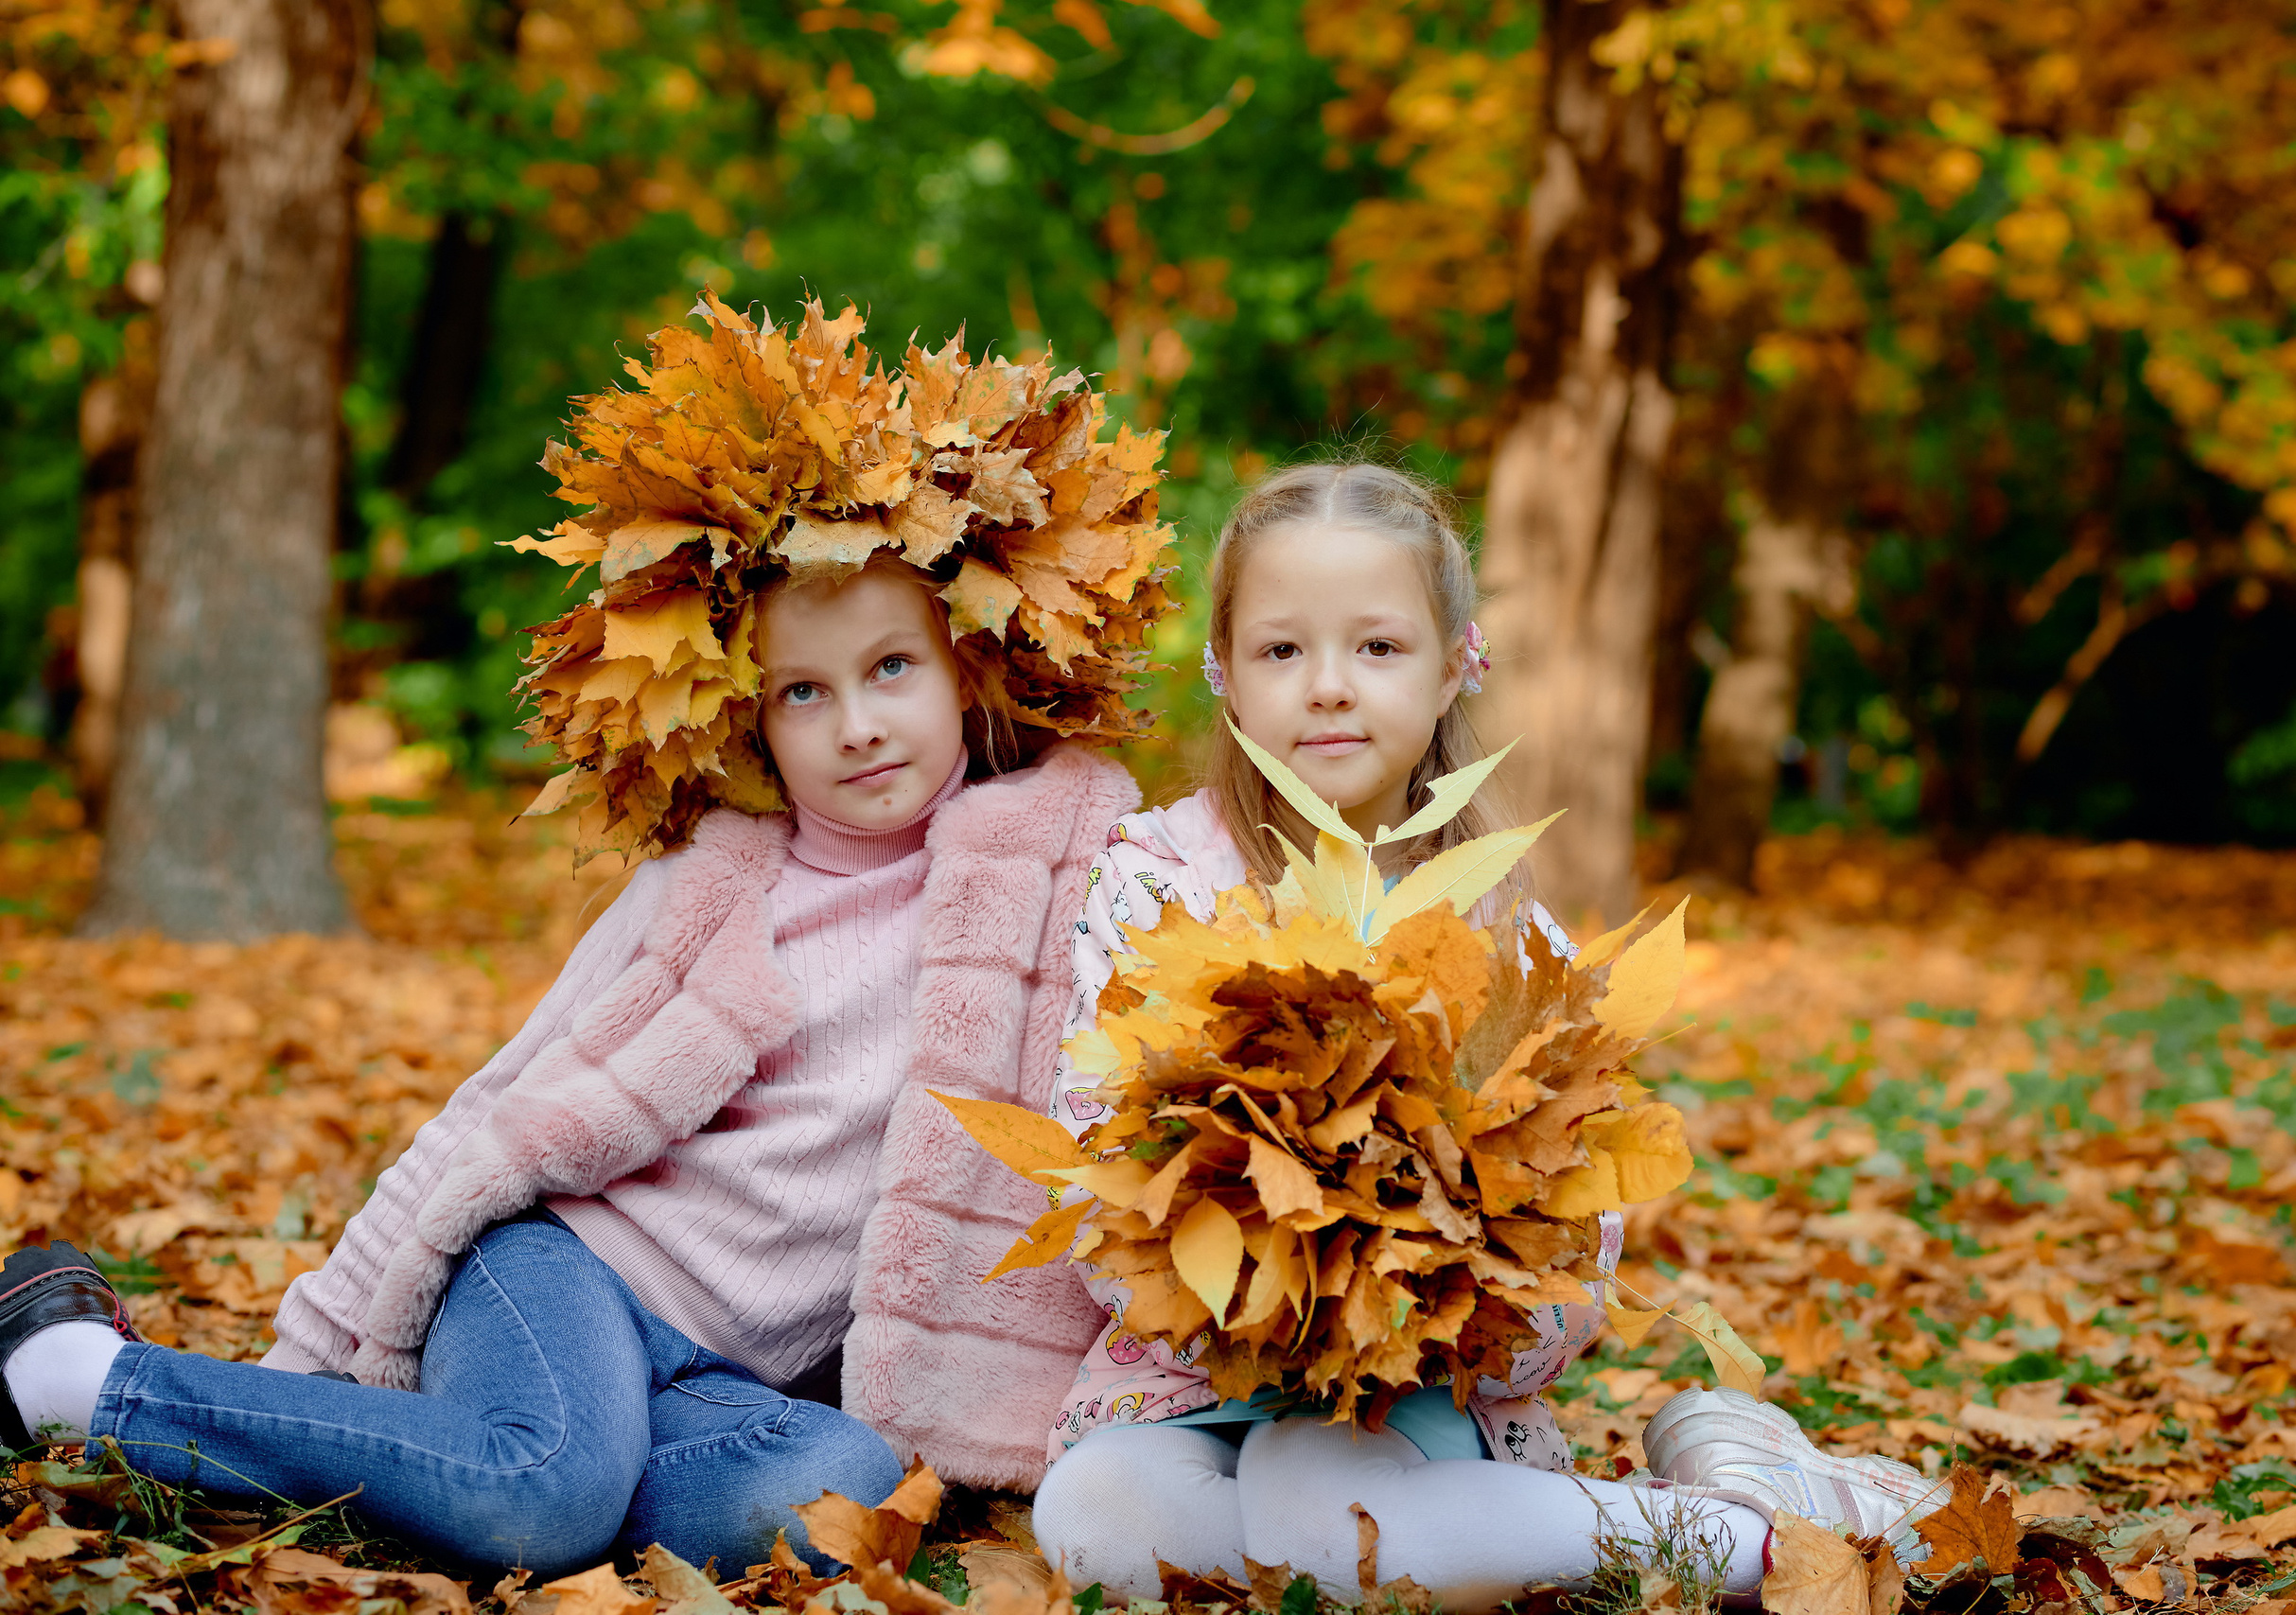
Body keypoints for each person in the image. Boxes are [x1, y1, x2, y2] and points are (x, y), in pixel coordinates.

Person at [0, 553, 1139, 1578]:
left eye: (893, 668)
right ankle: (86, 1379)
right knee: (548, 1491)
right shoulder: (711, 887)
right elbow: (498, 1101)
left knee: (836, 1496)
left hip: (725, 1382)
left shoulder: (1051, 883)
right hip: (559, 1272)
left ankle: (478, 1474)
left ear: (965, 671)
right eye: (804, 691)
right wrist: (308, 1360)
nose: (857, 725)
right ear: (751, 719)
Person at [1028, 463, 1947, 1610]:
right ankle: (1473, 1543)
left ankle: (1755, 1543)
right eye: (1280, 651)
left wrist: (1455, 1309)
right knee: (1095, 1523)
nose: (1326, 689)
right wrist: (1253, 1287)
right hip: (1194, 1372)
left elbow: (1576, 1211)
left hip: (1421, 1384)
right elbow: (1094, 1151)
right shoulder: (1153, 883)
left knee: (1324, 1501)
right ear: (1222, 671)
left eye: (1375, 648)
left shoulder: (1502, 925)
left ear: (1455, 660)